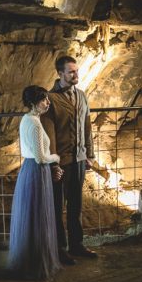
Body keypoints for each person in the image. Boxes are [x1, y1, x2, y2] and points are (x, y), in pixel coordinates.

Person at [41, 55, 98, 265]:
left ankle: (77, 244)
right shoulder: (50, 99)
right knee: (58, 206)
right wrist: (54, 163)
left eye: (77, 71)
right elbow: (49, 133)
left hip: (79, 159)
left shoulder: (82, 96)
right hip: (61, 162)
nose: (76, 75)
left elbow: (87, 126)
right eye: (71, 72)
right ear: (60, 73)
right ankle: (59, 248)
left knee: (76, 204)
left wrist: (89, 154)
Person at [7, 86, 63, 280]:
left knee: (31, 216)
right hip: (36, 171)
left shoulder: (26, 120)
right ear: (33, 103)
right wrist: (55, 157)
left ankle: (29, 259)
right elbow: (40, 157)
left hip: (29, 170)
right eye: (44, 100)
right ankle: (36, 263)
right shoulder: (35, 124)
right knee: (38, 216)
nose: (48, 103)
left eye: (47, 99)